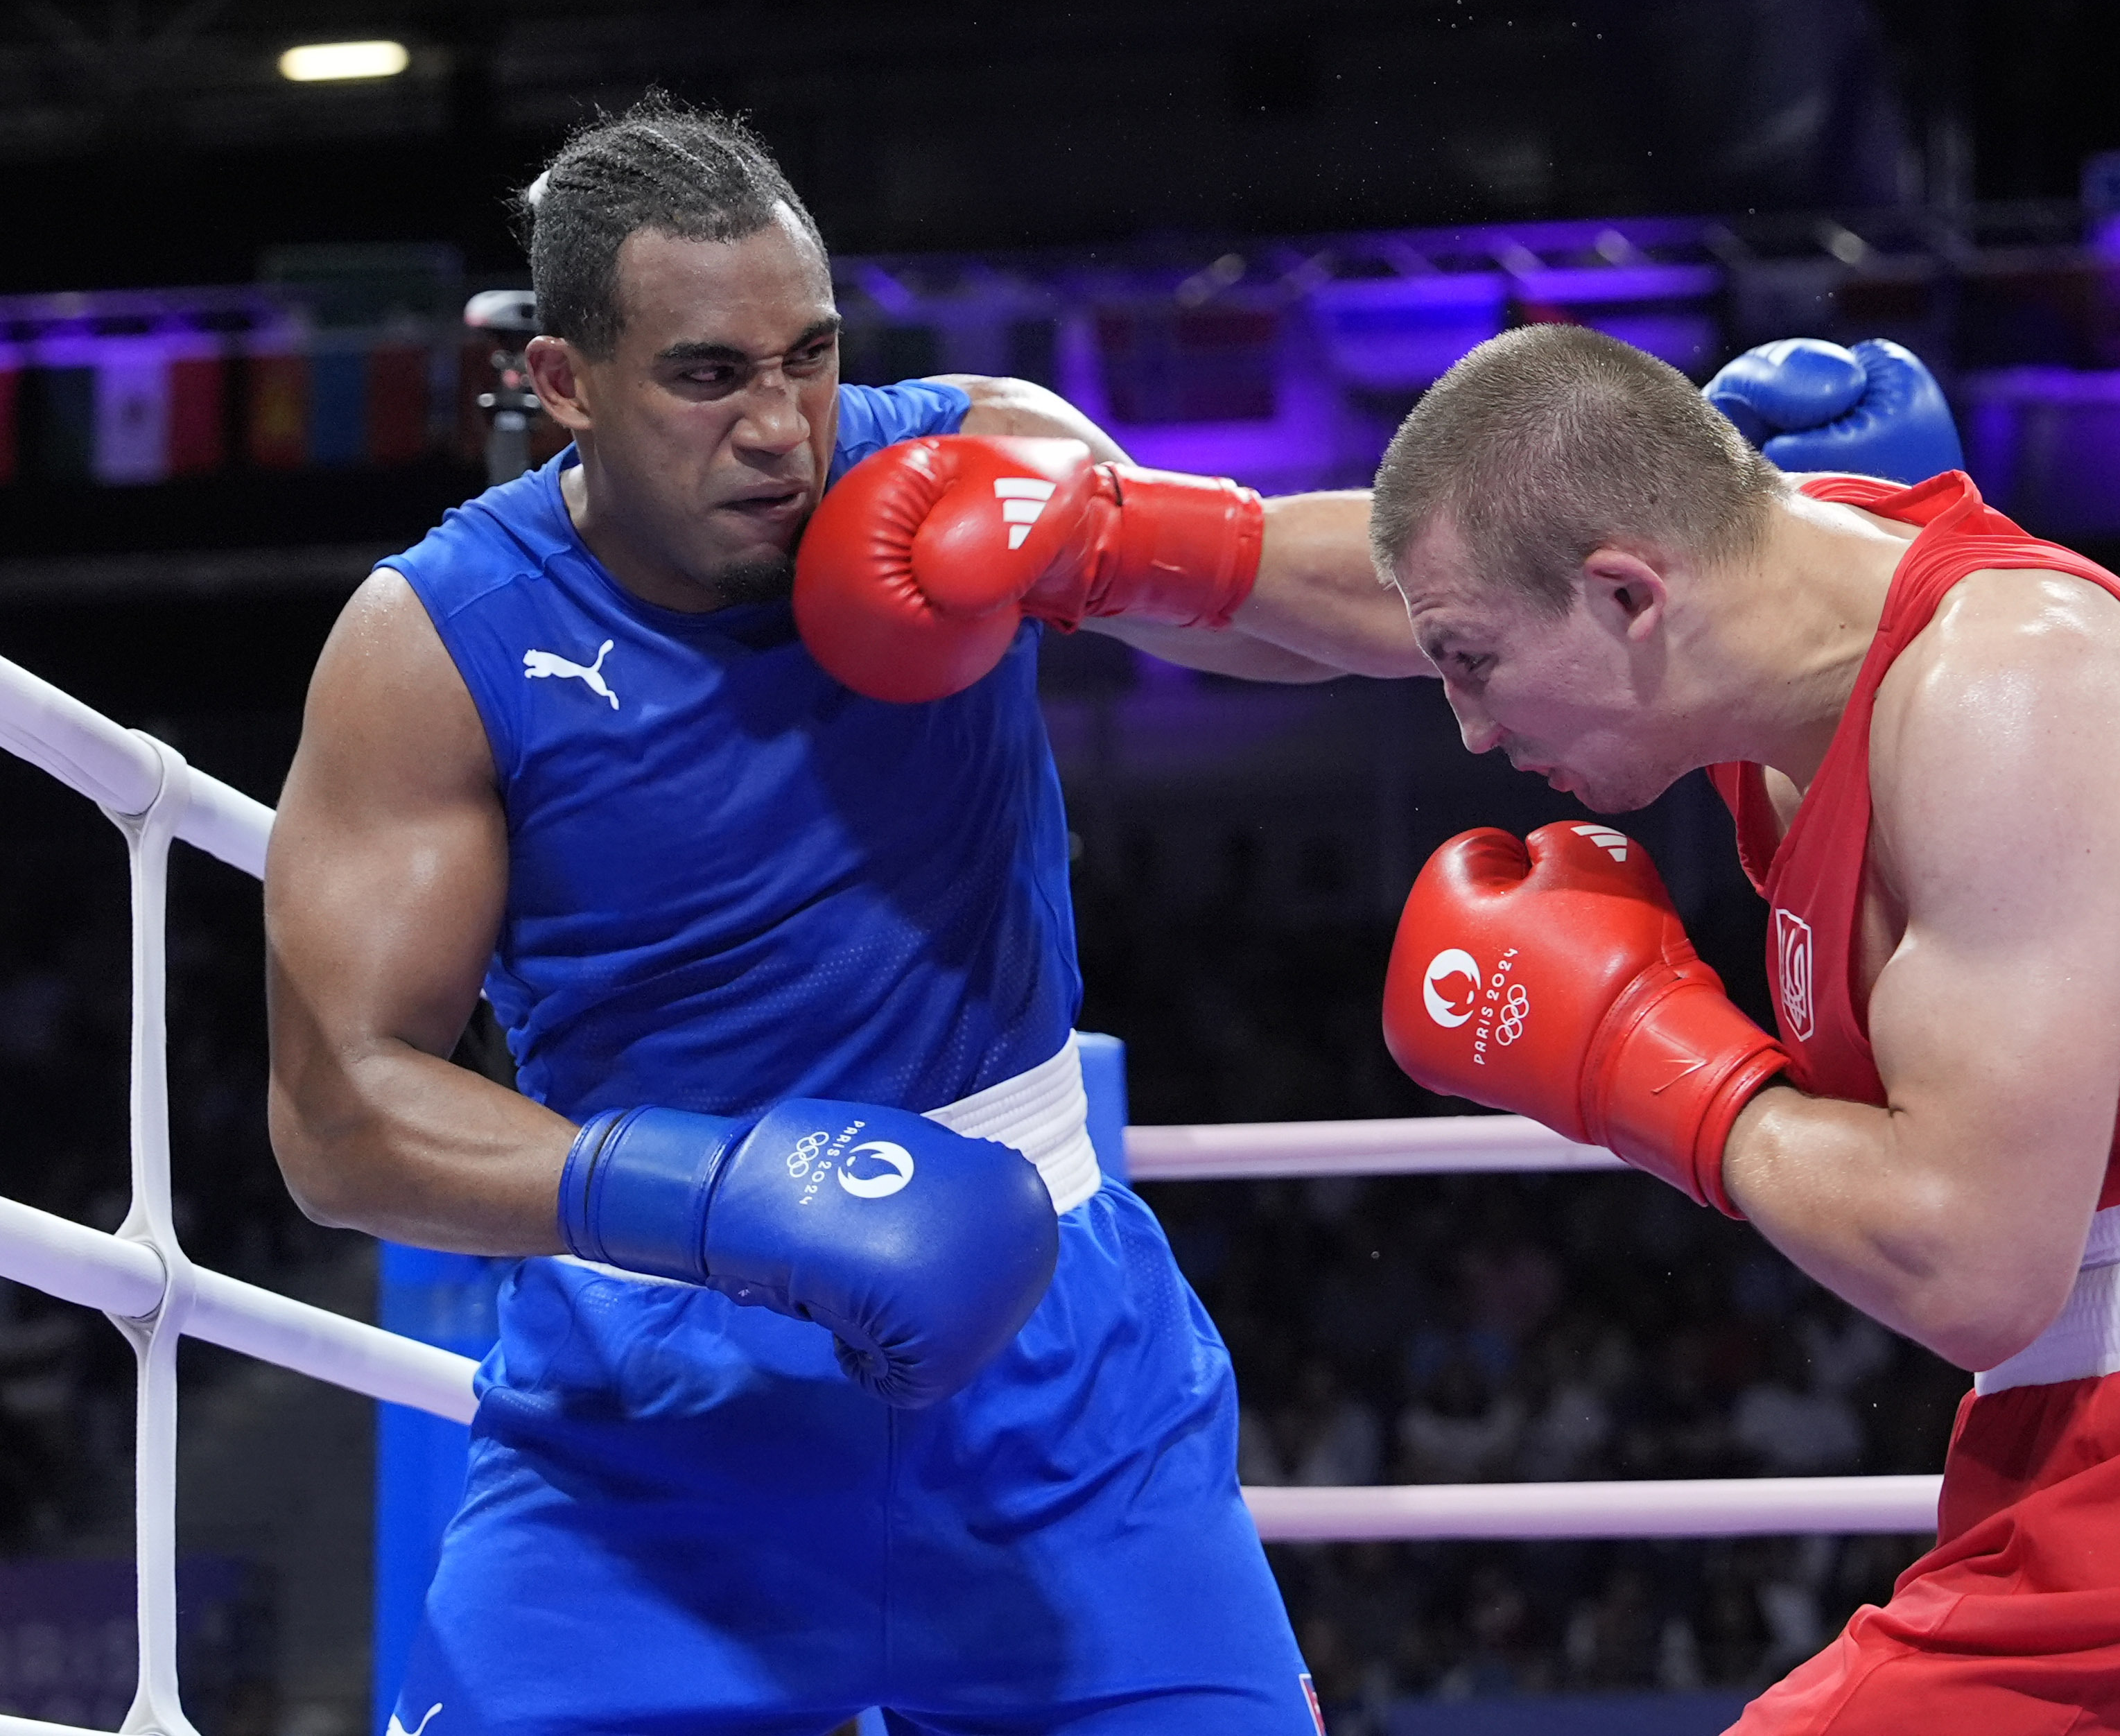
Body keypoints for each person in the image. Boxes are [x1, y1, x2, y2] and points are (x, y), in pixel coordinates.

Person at [263, 96, 1423, 1736]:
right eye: (707, 375)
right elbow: (338, 1115)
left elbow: (1385, 615)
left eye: (806, 356)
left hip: (1058, 1382)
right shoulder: (440, 641)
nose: (783, 431)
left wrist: (1111, 535)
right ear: (562, 386)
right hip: (652, 1411)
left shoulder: (962, 460)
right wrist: (725, 1197)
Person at [1372, 322, 2120, 1733]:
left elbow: (1972, 1263)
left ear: (1629, 596)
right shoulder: (1764, 592)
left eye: (1467, 665)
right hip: (2103, 1445)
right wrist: (1131, 541)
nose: (1463, 727)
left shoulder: (2006, 692)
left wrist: (1638, 1055)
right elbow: (1407, 569)